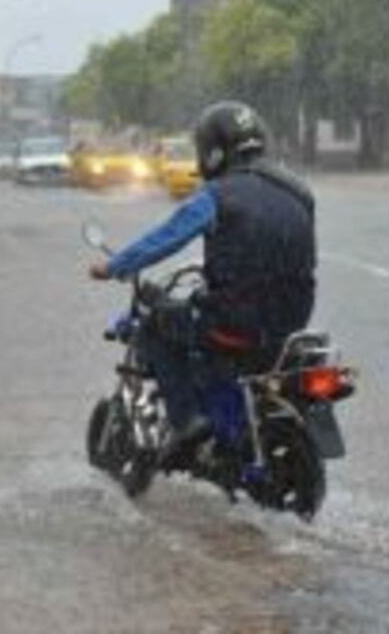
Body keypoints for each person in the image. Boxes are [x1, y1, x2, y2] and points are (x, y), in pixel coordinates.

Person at [89, 101, 317, 457]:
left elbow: (165, 238)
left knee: (154, 326)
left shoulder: (216, 195)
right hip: (291, 321)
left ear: (212, 151)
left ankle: (187, 423)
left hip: (235, 321)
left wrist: (115, 266)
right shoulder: (300, 191)